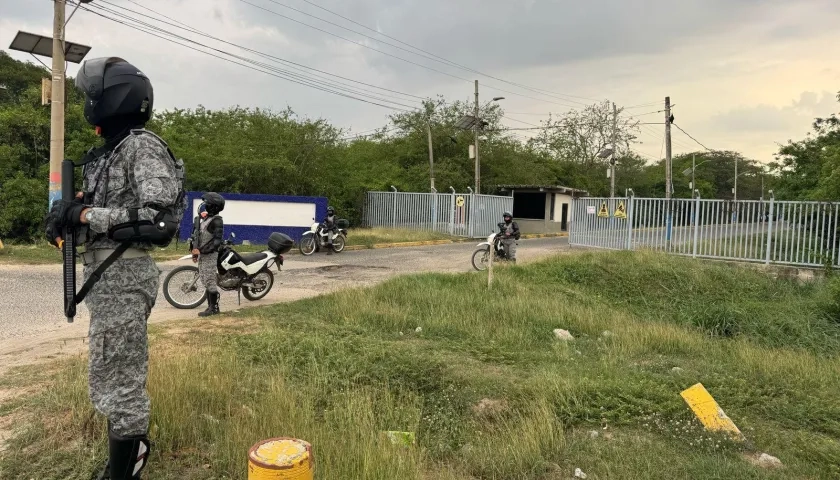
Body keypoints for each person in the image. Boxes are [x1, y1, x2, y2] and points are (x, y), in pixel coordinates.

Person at [45, 57, 181, 479]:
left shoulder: (142, 146)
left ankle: (125, 472)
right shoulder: (111, 154)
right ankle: (118, 466)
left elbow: (159, 222)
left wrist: (87, 215)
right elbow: (112, 209)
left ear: (104, 100)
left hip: (124, 276)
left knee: (120, 383)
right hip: (108, 277)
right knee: (110, 376)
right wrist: (65, 216)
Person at [190, 192, 225, 317]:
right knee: (204, 279)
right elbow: (198, 236)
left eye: (207, 203)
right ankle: (210, 306)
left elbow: (216, 242)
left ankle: (214, 308)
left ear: (213, 206)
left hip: (210, 255)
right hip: (203, 254)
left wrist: (201, 251)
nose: (205, 205)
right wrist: (195, 251)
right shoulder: (206, 219)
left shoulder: (217, 221)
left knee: (210, 280)